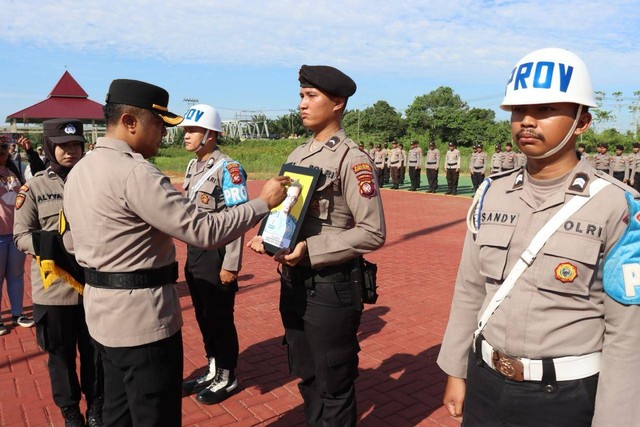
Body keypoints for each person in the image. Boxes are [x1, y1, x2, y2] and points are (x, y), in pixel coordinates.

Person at [62, 79, 288, 426]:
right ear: (130, 122)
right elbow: (204, 230)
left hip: (100, 315)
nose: (165, 136)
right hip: (143, 321)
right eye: (158, 125)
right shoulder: (137, 173)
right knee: (155, 416)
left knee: (116, 413)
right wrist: (263, 203)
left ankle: (221, 370)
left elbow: (70, 243)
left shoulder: (80, 170)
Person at [438, 47, 640, 427]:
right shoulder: (490, 193)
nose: (527, 121)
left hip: (564, 399)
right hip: (485, 382)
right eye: (518, 111)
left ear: (582, 121)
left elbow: (628, 334)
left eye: (546, 109)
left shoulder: (618, 207)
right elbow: (469, 290)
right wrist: (456, 370)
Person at [248, 65, 386, 426]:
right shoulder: (297, 154)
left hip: (332, 287)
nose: (302, 104)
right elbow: (288, 211)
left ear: (338, 102)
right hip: (293, 281)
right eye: (301, 96)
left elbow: (372, 232)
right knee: (306, 374)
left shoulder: (351, 159)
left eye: (311, 96)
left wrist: (311, 249)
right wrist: (269, 235)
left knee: (333, 383)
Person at [13, 119, 104, 427]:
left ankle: (96, 407)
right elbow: (20, 235)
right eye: (64, 146)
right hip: (54, 290)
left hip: (94, 287)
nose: (71, 151)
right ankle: (70, 412)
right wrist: (52, 245)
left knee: (95, 353)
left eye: (76, 145)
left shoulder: (96, 181)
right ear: (50, 147)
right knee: (60, 357)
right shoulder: (35, 186)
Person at [177, 103, 253, 405]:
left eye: (193, 130)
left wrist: (231, 264)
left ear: (210, 135)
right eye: (185, 130)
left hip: (218, 255)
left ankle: (227, 375)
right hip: (195, 253)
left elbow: (240, 217)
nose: (186, 135)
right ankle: (212, 368)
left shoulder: (229, 169)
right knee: (203, 315)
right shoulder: (193, 166)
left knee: (221, 318)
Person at [0, 142, 34, 335]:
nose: (0, 153)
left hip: (16, 234)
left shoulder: (18, 169)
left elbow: (38, 172)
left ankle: (17, 313)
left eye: (3, 149)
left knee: (16, 276)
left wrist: (29, 151)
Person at [262, 181, 301, 249]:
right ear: (283, 195)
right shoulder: (269, 217)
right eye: (288, 196)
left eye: (294, 198)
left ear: (296, 201)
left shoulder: (294, 225)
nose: (290, 201)